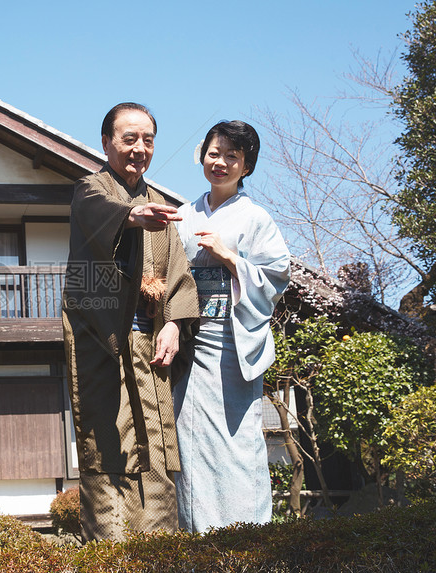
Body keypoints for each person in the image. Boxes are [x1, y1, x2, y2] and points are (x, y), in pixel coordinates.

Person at [62, 102, 199, 541]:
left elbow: (178, 273)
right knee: (107, 441)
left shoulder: (160, 203)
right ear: (107, 143)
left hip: (151, 345)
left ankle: (159, 548)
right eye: (128, 138)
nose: (139, 148)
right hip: (104, 344)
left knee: (155, 443)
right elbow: (96, 215)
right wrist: (128, 216)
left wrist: (175, 324)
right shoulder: (90, 190)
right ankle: (110, 550)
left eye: (148, 140)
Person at [172, 120, 290, 533]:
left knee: (238, 443)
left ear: (246, 166)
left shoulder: (256, 218)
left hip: (232, 342)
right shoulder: (183, 214)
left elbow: (276, 276)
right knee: (189, 441)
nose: (220, 162)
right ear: (200, 154)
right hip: (190, 344)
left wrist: (229, 258)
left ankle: (250, 533)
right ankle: (199, 536)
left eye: (232, 157)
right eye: (214, 153)